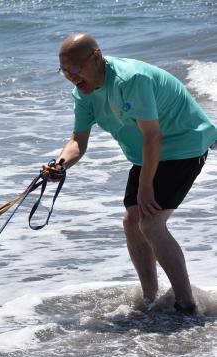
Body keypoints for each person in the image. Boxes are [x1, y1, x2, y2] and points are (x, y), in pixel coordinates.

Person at [49, 33, 217, 314]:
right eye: (64, 71)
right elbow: (78, 140)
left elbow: (153, 136)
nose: (70, 77)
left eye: (75, 69)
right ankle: (151, 298)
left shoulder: (130, 80)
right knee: (132, 223)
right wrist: (60, 164)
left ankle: (186, 304)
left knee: (151, 224)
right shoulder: (83, 92)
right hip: (147, 154)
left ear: (97, 57)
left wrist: (146, 185)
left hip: (183, 144)